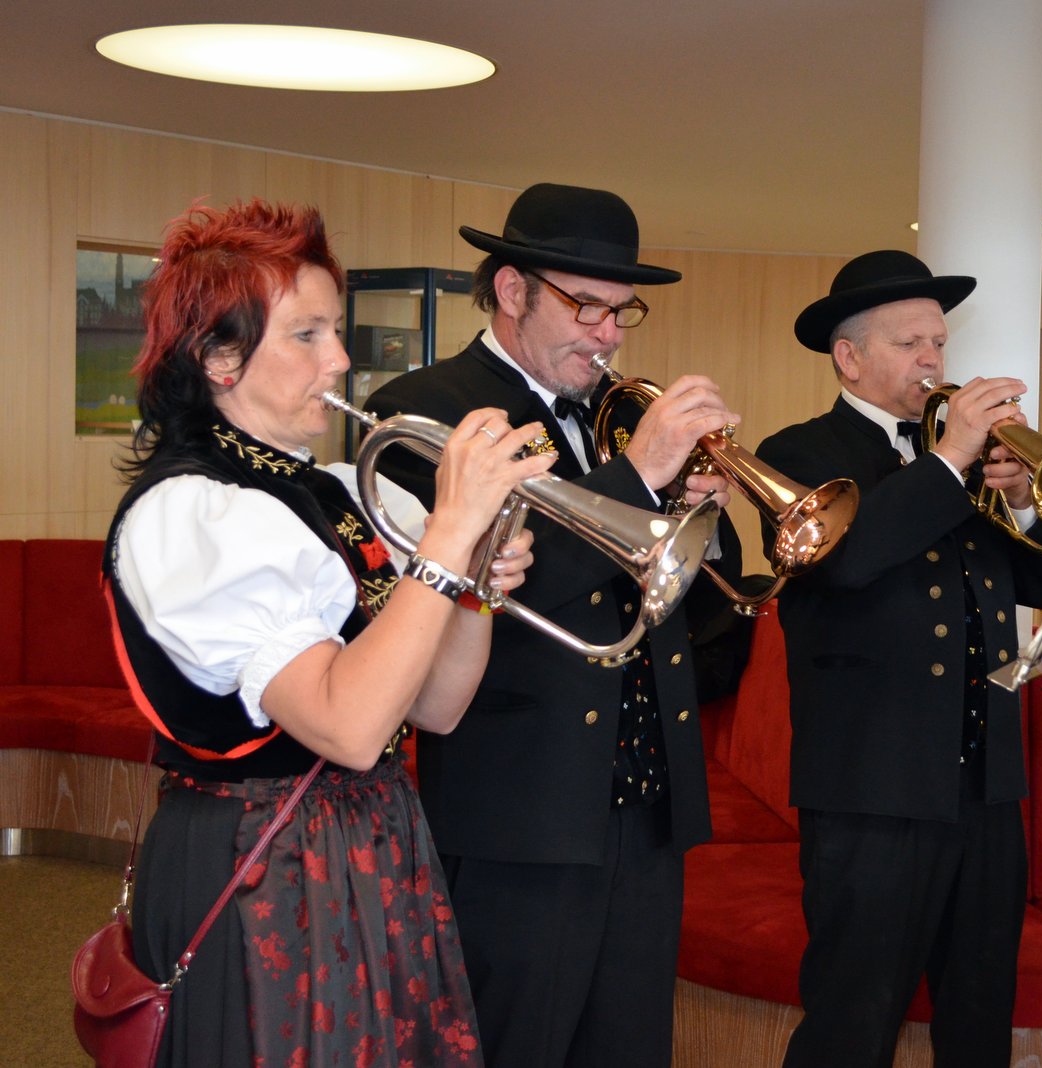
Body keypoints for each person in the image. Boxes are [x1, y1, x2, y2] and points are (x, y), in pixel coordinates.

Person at [107, 199, 549, 1066]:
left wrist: (474, 585)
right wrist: (448, 540)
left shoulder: (340, 489)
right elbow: (347, 726)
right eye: (307, 335)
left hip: (371, 838)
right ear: (219, 358)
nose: (341, 359)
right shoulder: (191, 513)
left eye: (336, 331)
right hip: (259, 859)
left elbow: (438, 707)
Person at [365, 182, 737, 1068]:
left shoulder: (615, 415)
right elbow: (494, 592)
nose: (608, 335)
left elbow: (683, 608)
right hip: (519, 810)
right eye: (586, 307)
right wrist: (638, 476)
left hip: (647, 803)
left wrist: (700, 518)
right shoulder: (428, 410)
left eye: (621, 312)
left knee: (630, 1048)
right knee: (514, 1044)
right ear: (511, 290)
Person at [754, 250, 1042, 1066]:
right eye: (910, 344)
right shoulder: (797, 451)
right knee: (851, 1019)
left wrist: (1023, 500)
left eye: (938, 342)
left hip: (985, 785)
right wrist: (949, 461)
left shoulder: (965, 463)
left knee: (980, 1014)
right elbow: (849, 563)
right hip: (871, 787)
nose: (933, 360)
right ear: (849, 358)